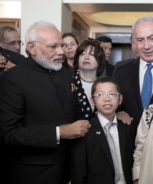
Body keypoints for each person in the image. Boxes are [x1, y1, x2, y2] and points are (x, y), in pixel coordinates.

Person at [0, 20, 91, 184]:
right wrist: (59, 132)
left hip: (69, 170)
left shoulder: (67, 75)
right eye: (53, 46)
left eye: (61, 46)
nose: (61, 52)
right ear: (32, 48)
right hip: (32, 174)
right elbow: (8, 134)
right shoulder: (13, 79)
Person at [113, 16, 153, 137]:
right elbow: (114, 103)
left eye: (151, 38)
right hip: (130, 143)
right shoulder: (121, 70)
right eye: (140, 40)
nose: (146, 46)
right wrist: (116, 113)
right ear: (133, 42)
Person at [71, 76, 134, 184]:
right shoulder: (85, 132)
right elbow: (79, 174)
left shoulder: (128, 127)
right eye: (100, 95)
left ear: (120, 99)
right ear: (92, 101)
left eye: (112, 94)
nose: (106, 99)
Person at [73, 39, 106, 120]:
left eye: (91, 54)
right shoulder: (68, 83)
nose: (86, 57)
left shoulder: (105, 85)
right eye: (82, 54)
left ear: (99, 60)